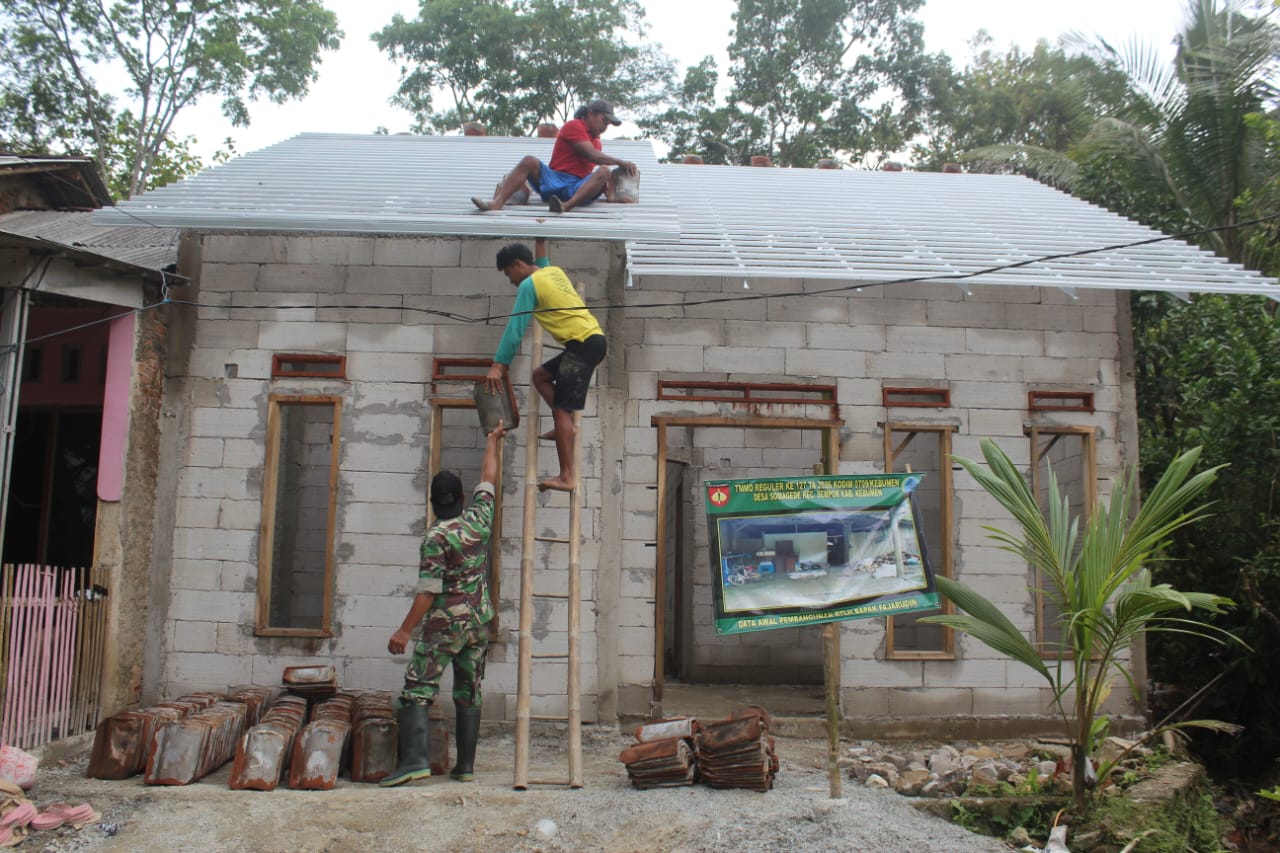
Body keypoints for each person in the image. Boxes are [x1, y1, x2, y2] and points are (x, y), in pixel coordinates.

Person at [381, 420, 507, 787]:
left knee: (417, 688)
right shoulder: (479, 521)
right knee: (469, 690)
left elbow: (428, 592)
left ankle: (415, 762)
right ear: (462, 498)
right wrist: (492, 441)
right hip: (477, 623)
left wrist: (405, 630)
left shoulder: (435, 538)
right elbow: (488, 477)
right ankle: (465, 767)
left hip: (444, 626)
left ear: (433, 502)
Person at [485, 238, 605, 492]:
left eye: (509, 274)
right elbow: (542, 261)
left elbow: (516, 327)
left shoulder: (529, 285)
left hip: (582, 345)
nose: (511, 281)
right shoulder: (552, 271)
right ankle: (566, 428)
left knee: (561, 408)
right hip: (590, 341)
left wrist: (499, 364)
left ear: (519, 265)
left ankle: (567, 476)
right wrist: (541, 238)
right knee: (540, 376)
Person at [471, 99, 638, 213]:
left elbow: (596, 164)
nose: (605, 127)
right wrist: (619, 162)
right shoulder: (574, 126)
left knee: (604, 171)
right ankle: (498, 203)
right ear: (591, 113)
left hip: (576, 188)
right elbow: (590, 154)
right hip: (554, 181)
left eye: (608, 124)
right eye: (604, 120)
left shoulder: (597, 142)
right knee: (529, 160)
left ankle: (566, 206)